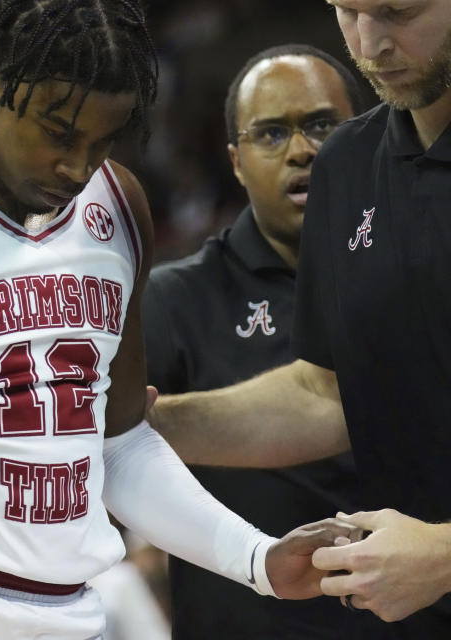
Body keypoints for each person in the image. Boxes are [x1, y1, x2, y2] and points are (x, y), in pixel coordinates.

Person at [0, 2, 360, 638]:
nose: (77, 166)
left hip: (74, 611)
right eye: (59, 132)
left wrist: (257, 558)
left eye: (103, 140)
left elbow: (118, 444)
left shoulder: (118, 205)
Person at [149, 0, 451, 636]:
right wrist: (139, 424)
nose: (371, 45)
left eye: (397, 12)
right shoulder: (347, 164)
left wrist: (446, 555)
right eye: (348, 12)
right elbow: (326, 392)